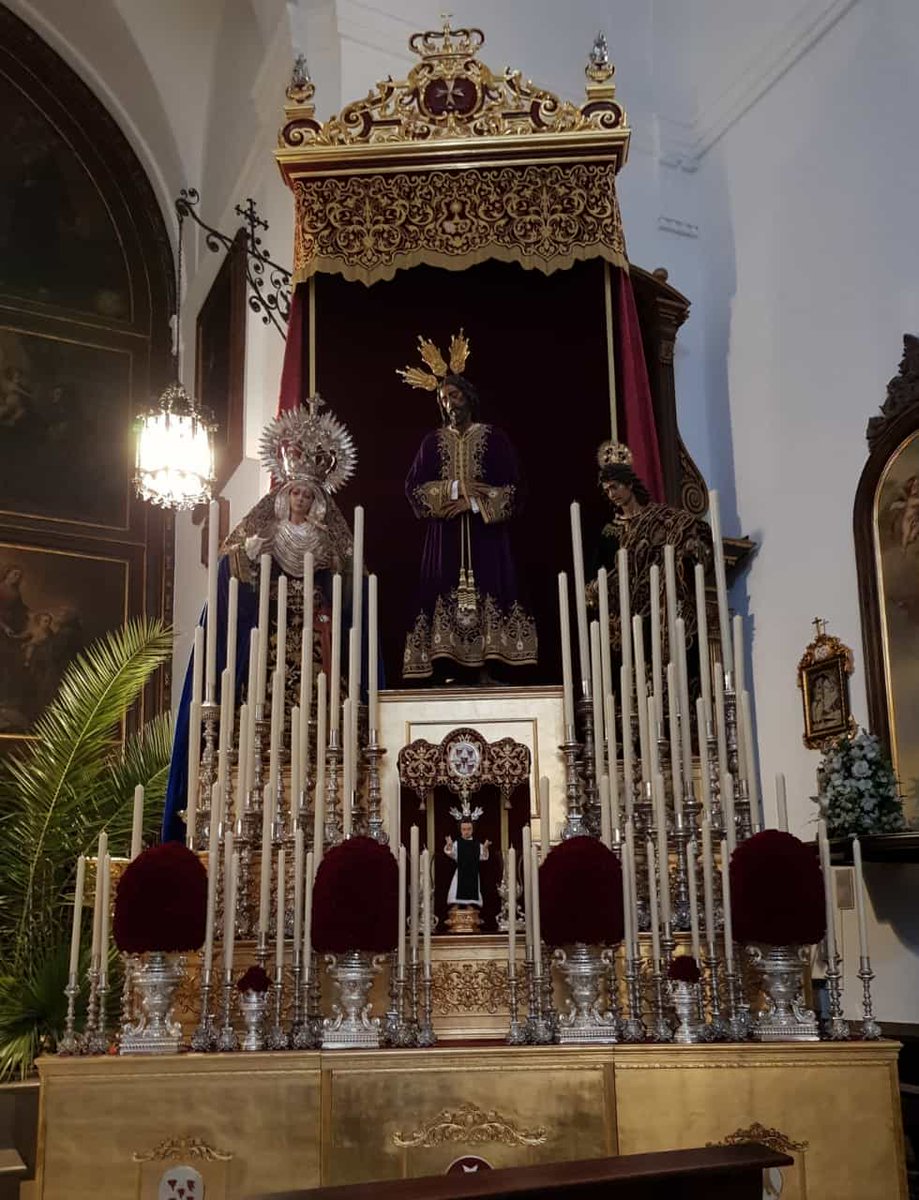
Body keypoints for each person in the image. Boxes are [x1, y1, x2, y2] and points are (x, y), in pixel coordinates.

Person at [162, 398, 359, 841]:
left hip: (314, 635)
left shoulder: (327, 541)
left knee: (322, 698)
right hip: (270, 637)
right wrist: (248, 557)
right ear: (284, 494)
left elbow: (347, 587)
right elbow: (234, 571)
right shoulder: (265, 533)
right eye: (297, 492)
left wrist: (337, 576)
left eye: (310, 494)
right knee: (260, 695)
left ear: (318, 499)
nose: (303, 499)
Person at [399, 333, 537, 683]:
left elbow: (517, 489)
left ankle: (489, 667)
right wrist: (454, 489)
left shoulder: (494, 438)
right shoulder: (432, 442)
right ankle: (447, 668)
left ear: (469, 397)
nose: (449, 404)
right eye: (444, 398)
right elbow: (413, 488)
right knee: (442, 592)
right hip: (444, 537)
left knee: (490, 590)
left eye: (455, 395)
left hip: (485, 535)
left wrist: (475, 503)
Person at [588, 441, 713, 663]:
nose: (611, 494)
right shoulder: (609, 533)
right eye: (607, 490)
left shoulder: (661, 519)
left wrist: (692, 548)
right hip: (627, 620)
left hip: (662, 609)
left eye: (615, 486)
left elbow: (687, 537)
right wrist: (597, 588)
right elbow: (597, 576)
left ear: (629, 484)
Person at [444, 819, 491, 909]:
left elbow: (483, 857)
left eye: (469, 829)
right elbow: (452, 853)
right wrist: (449, 846)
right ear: (460, 830)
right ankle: (456, 904)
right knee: (456, 887)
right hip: (461, 872)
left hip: (472, 873)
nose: (466, 832)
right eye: (464, 829)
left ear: (472, 830)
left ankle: (469, 904)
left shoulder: (477, 844)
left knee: (472, 889)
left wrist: (485, 848)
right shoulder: (457, 843)